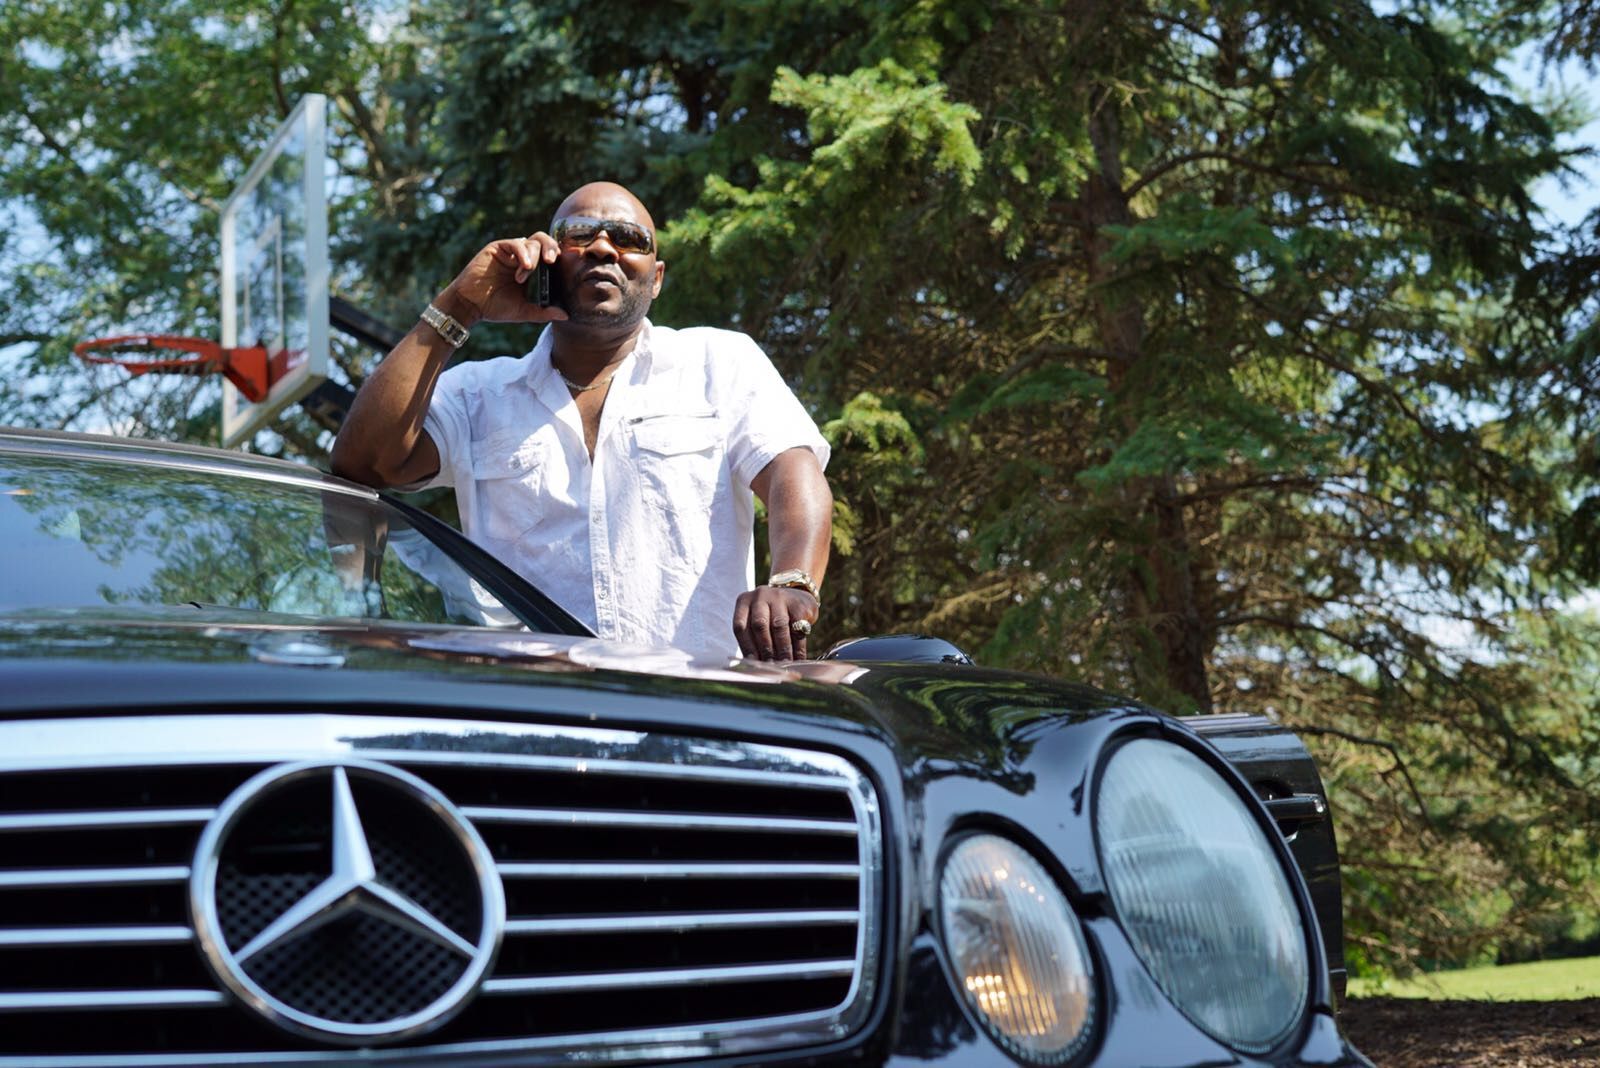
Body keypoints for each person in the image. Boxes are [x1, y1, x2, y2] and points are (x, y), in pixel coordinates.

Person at [330, 181, 832, 662]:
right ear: (547, 260)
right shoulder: (476, 395)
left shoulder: (718, 363)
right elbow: (364, 462)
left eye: (630, 238)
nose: (604, 249)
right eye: (580, 234)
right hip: (540, 707)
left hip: (692, 703)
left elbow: (791, 470)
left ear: (656, 278)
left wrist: (793, 581)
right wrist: (459, 305)